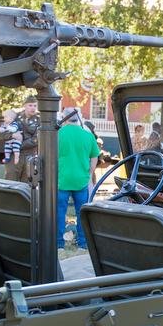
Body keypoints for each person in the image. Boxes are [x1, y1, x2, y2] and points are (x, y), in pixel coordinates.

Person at [57, 107, 99, 250]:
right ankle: (83, 243)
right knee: (81, 213)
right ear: (78, 118)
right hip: (81, 179)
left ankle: (59, 244)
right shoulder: (87, 135)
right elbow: (95, 155)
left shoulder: (58, 134)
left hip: (61, 180)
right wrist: (90, 171)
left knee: (59, 212)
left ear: (64, 118)